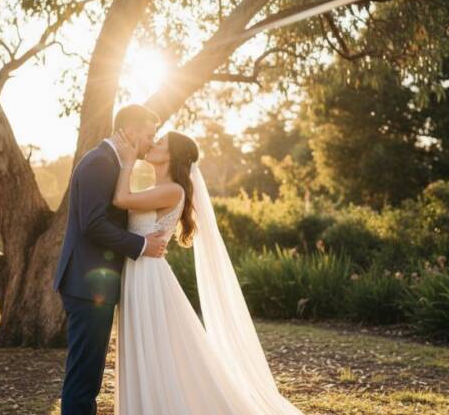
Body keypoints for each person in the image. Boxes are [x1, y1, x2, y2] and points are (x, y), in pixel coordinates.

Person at [110, 128, 305, 414]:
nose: (153, 143)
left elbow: (120, 200)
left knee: (152, 345)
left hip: (148, 275)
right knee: (149, 346)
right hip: (141, 271)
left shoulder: (173, 190)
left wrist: (127, 161)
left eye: (161, 142)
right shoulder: (160, 188)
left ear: (172, 155)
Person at [52, 104, 169, 415]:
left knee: (88, 375)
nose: (150, 142)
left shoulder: (111, 163)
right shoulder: (99, 163)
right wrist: (141, 244)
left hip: (92, 285)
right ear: (130, 132)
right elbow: (93, 224)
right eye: (148, 135)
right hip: (86, 285)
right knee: (83, 377)